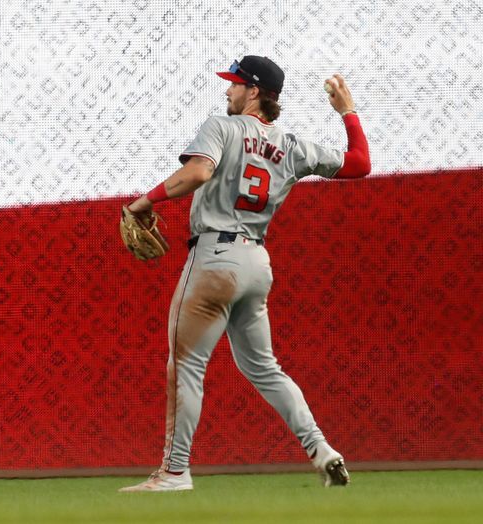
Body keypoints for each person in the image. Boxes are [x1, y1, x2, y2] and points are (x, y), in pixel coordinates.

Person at [119, 55, 371, 492]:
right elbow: (360, 164)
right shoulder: (293, 147)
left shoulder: (224, 126)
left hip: (215, 257)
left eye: (235, 84)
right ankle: (321, 450)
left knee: (186, 366)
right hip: (256, 263)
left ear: (254, 91)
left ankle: (174, 472)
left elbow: (199, 171)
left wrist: (146, 201)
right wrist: (347, 113)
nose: (228, 91)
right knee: (265, 368)